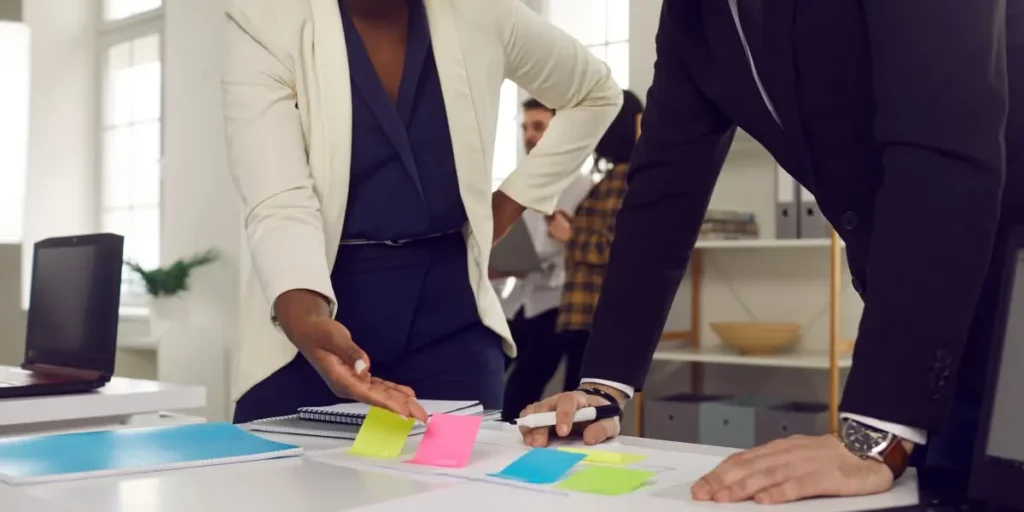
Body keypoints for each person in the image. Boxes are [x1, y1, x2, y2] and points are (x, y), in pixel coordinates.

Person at [520, 0, 1023, 505]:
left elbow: (943, 143)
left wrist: (876, 429)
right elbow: (663, 187)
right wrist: (604, 386)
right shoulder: (694, 14)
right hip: (937, 334)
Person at [222, 0, 621, 424]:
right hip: (312, 305)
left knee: (460, 485)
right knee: (278, 483)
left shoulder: (483, 12)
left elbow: (594, 93)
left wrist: (506, 205)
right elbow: (280, 198)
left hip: (452, 310)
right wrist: (305, 321)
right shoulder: (264, 19)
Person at [498, 99, 592, 422]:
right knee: (492, 374)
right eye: (525, 128)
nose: (529, 135)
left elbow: (588, 248)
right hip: (522, 297)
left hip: (560, 303)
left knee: (519, 391)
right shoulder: (519, 185)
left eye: (538, 127)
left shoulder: (585, 189)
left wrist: (569, 236)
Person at [554, 90, 643, 396]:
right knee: (579, 403)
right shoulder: (619, 178)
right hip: (588, 311)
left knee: (578, 403)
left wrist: (571, 236)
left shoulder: (621, 179)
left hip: (590, 311)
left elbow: (615, 248)